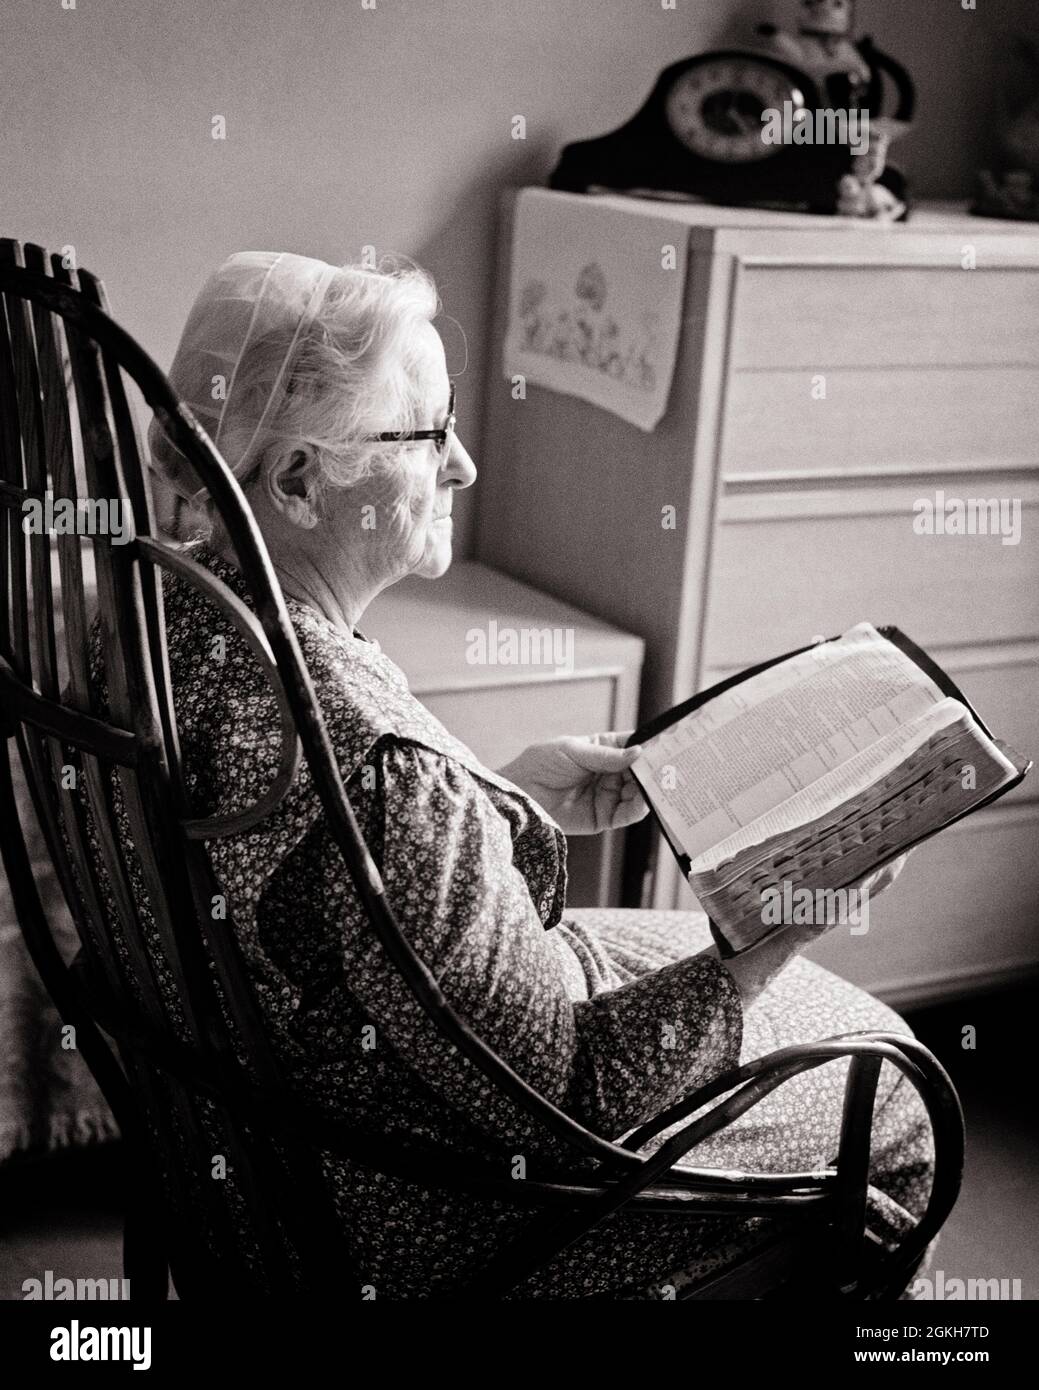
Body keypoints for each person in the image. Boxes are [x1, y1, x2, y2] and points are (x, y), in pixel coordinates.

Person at [129, 249, 934, 1298]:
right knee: (897, 1089)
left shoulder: (169, 614)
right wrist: (769, 934)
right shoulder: (382, 773)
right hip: (420, 1219)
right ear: (296, 479)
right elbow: (577, 1097)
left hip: (250, 1155)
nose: (462, 465)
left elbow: (319, 862)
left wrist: (492, 793)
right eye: (427, 434)